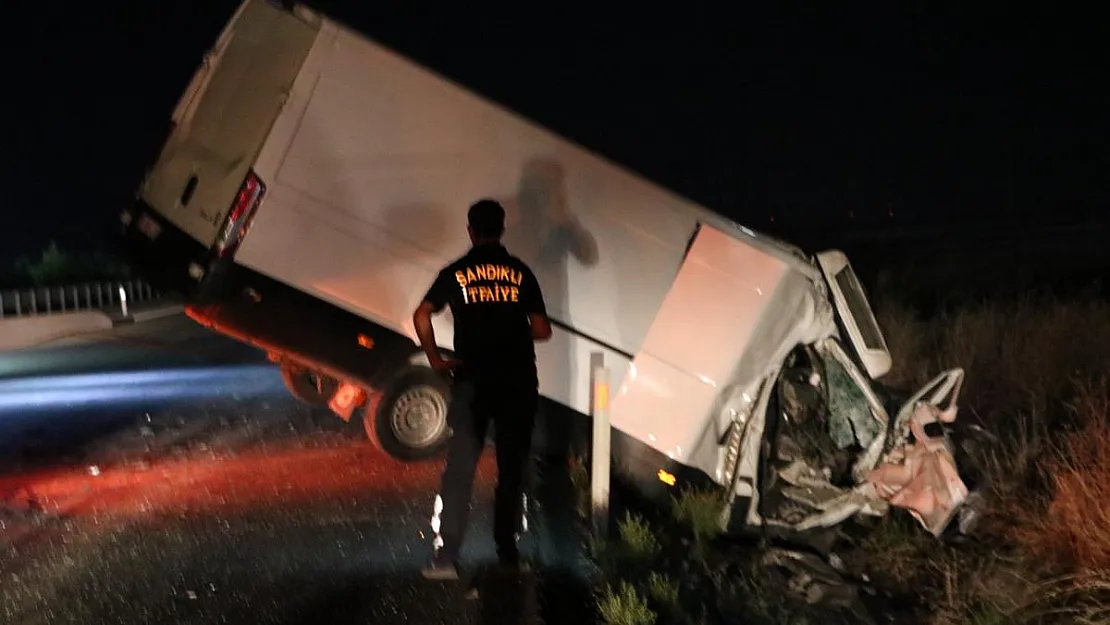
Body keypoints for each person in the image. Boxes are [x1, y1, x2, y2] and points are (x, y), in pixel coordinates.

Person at [413, 198, 553, 581]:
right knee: (511, 469)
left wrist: (435, 358)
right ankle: (507, 554)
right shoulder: (521, 273)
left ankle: (446, 558)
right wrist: (508, 332)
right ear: (502, 229)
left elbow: (422, 313)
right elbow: (542, 330)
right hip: (517, 381)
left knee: (460, 468)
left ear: (471, 231)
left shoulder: (456, 272)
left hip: (473, 382)